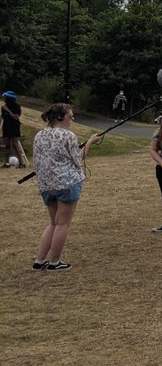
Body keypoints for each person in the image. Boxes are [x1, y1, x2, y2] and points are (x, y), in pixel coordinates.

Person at [32, 103, 102, 270]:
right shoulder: (68, 136)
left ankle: (40, 260)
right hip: (67, 184)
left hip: (46, 185)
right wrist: (90, 142)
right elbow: (78, 161)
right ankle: (55, 262)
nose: (72, 119)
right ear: (60, 118)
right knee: (62, 224)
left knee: (53, 223)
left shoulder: (39, 135)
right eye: (70, 116)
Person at [2, 91, 29, 168]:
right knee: (7, 145)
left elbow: (16, 117)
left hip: (14, 127)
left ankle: (22, 163)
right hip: (6, 127)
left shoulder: (16, 106)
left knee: (15, 144)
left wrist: (8, 110)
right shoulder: (4, 107)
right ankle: (6, 163)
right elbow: (4, 117)